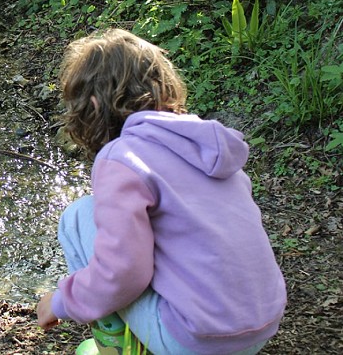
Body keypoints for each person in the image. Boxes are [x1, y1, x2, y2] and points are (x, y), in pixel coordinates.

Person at [36, 28, 286, 354]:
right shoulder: (205, 143)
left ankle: (119, 347)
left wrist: (61, 302)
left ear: (93, 106)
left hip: (197, 339)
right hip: (260, 324)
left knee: (78, 216)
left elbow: (125, 270)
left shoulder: (122, 157)